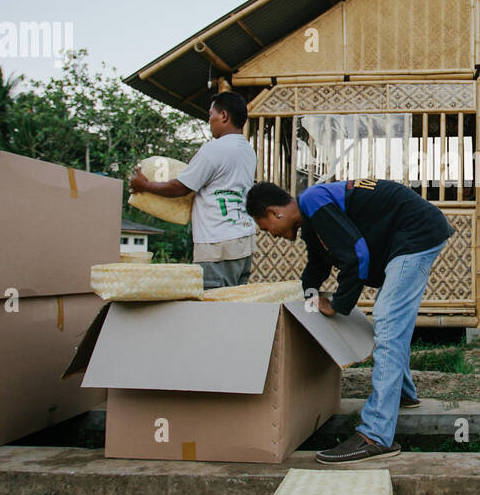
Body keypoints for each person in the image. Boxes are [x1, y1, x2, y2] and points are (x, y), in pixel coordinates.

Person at [246, 178, 454, 464]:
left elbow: (357, 256)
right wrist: (307, 298)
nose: (271, 234)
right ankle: (404, 394)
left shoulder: (312, 200)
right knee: (390, 319)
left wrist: (338, 305)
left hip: (416, 233)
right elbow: (318, 263)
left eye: (264, 227)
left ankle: (376, 435)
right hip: (409, 234)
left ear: (273, 213)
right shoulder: (311, 217)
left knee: (388, 317)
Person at [129, 90, 257, 289]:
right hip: (243, 242)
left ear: (224, 115)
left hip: (217, 245)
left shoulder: (214, 149)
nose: (210, 121)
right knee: (234, 307)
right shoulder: (248, 152)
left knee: (211, 308)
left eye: (210, 115)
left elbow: (181, 187)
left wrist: (144, 185)